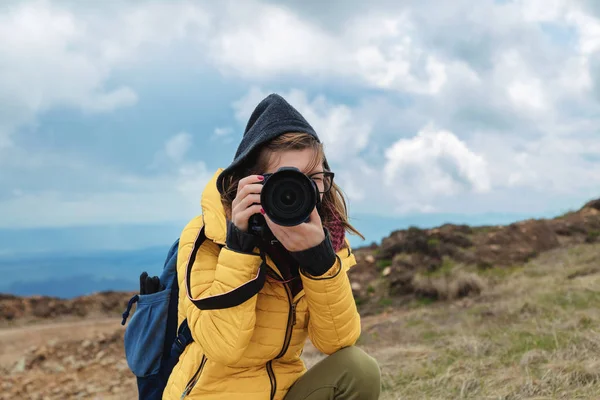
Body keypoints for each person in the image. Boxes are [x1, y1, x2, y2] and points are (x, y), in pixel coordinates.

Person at [163, 94, 381, 400]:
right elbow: (222, 347)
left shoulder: (326, 238)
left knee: (358, 368)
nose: (301, 190)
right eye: (286, 180)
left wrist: (319, 263)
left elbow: (337, 342)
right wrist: (240, 247)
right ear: (250, 182)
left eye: (313, 178)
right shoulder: (207, 236)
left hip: (282, 392)